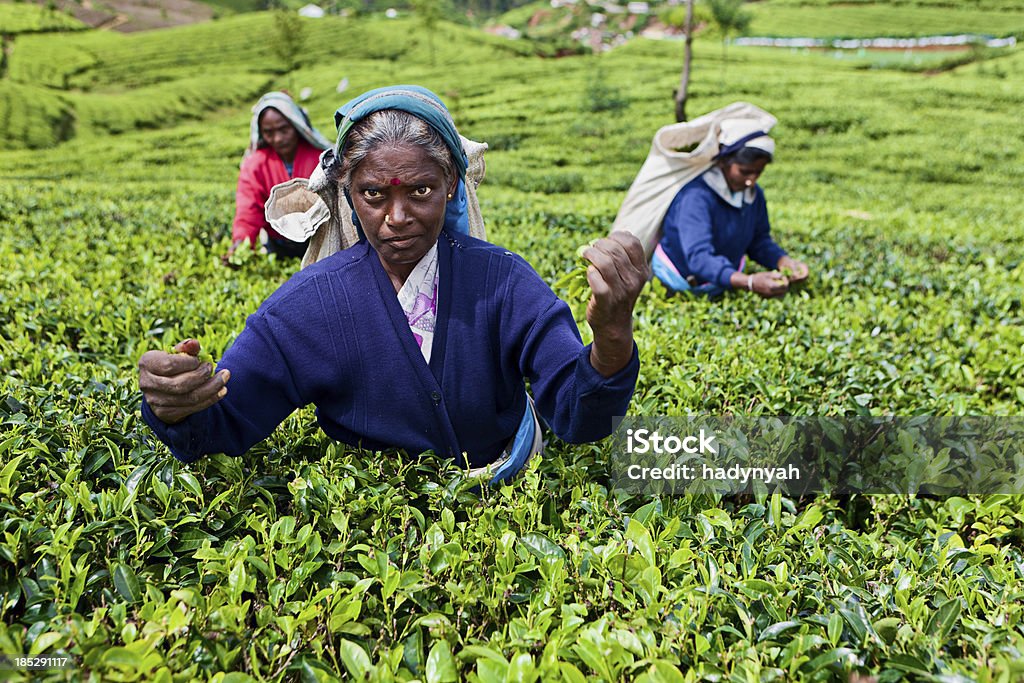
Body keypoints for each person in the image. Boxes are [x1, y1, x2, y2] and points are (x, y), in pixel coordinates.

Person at [139, 85, 648, 482]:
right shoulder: (309, 306)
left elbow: (579, 417)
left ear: (451, 185)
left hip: (506, 507)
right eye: (374, 193)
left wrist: (611, 337)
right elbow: (228, 419)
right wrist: (175, 404)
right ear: (348, 192)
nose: (397, 217)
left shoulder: (504, 283)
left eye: (421, 190)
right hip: (370, 543)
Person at [652, 119, 809, 298]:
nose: (752, 180)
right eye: (744, 171)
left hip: (727, 278)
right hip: (680, 281)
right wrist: (748, 282)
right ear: (723, 162)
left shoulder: (753, 194)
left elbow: (758, 241)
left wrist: (783, 261)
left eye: (758, 172)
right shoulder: (696, 197)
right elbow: (699, 257)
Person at [227, 91, 332, 261]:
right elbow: (248, 209)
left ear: (296, 125)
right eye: (269, 132)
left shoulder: (320, 158)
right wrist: (241, 244)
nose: (278, 139)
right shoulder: (256, 165)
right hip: (279, 246)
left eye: (284, 129)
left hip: (321, 242)